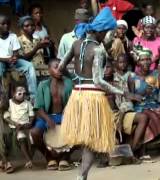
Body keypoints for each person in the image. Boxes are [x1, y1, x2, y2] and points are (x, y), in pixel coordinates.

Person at [58, 8, 137, 180]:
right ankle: (81, 177)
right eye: (108, 32)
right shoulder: (98, 50)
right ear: (101, 30)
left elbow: (60, 67)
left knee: (86, 139)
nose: (108, 35)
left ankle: (82, 176)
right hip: (93, 98)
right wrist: (123, 92)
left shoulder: (76, 44)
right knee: (92, 141)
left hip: (77, 96)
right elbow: (98, 81)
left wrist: (75, 79)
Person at [30, 58, 73, 171]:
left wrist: (69, 116)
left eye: (61, 67)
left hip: (65, 115)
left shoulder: (68, 82)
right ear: (49, 70)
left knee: (81, 129)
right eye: (56, 67)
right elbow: (38, 107)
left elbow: (74, 103)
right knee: (34, 133)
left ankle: (65, 157)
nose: (59, 69)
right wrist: (47, 119)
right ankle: (49, 157)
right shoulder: (43, 85)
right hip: (47, 116)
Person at [113, 54, 149, 153]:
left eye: (124, 62)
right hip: (115, 106)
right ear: (115, 63)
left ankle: (132, 149)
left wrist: (136, 95)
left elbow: (132, 95)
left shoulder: (131, 75)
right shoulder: (112, 75)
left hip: (127, 105)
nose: (122, 64)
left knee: (142, 117)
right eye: (120, 62)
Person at [0, 14, 37, 101]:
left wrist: (15, 57)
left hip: (12, 61)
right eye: (3, 24)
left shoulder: (13, 36)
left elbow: (16, 52)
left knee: (29, 66)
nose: (6, 26)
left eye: (8, 23)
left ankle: (34, 98)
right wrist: (6, 59)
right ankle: (2, 97)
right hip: (1, 61)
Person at [4, 83, 34, 169]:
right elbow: (6, 116)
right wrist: (14, 124)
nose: (22, 95)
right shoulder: (9, 103)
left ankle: (29, 159)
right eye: (19, 93)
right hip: (15, 126)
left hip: (26, 126)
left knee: (32, 141)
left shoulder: (27, 103)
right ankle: (29, 160)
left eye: (24, 94)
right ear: (13, 94)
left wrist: (30, 123)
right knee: (21, 137)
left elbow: (31, 115)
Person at [0, 82, 13, 174]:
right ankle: (6, 160)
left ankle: (2, 160)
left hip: (3, 113)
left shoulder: (3, 84)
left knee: (7, 133)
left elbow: (5, 104)